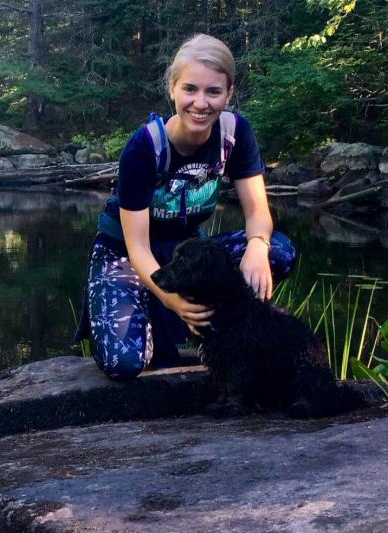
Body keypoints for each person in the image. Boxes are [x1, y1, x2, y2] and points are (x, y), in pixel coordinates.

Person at [76, 34, 296, 380]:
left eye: (213, 92)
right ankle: (152, 316)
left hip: (183, 256)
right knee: (124, 364)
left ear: (229, 94)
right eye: (190, 89)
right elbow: (137, 247)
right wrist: (171, 300)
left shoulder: (235, 134)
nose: (201, 103)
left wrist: (257, 244)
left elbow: (257, 212)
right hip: (126, 255)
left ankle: (232, 340)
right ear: (172, 90)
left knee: (279, 253)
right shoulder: (144, 148)